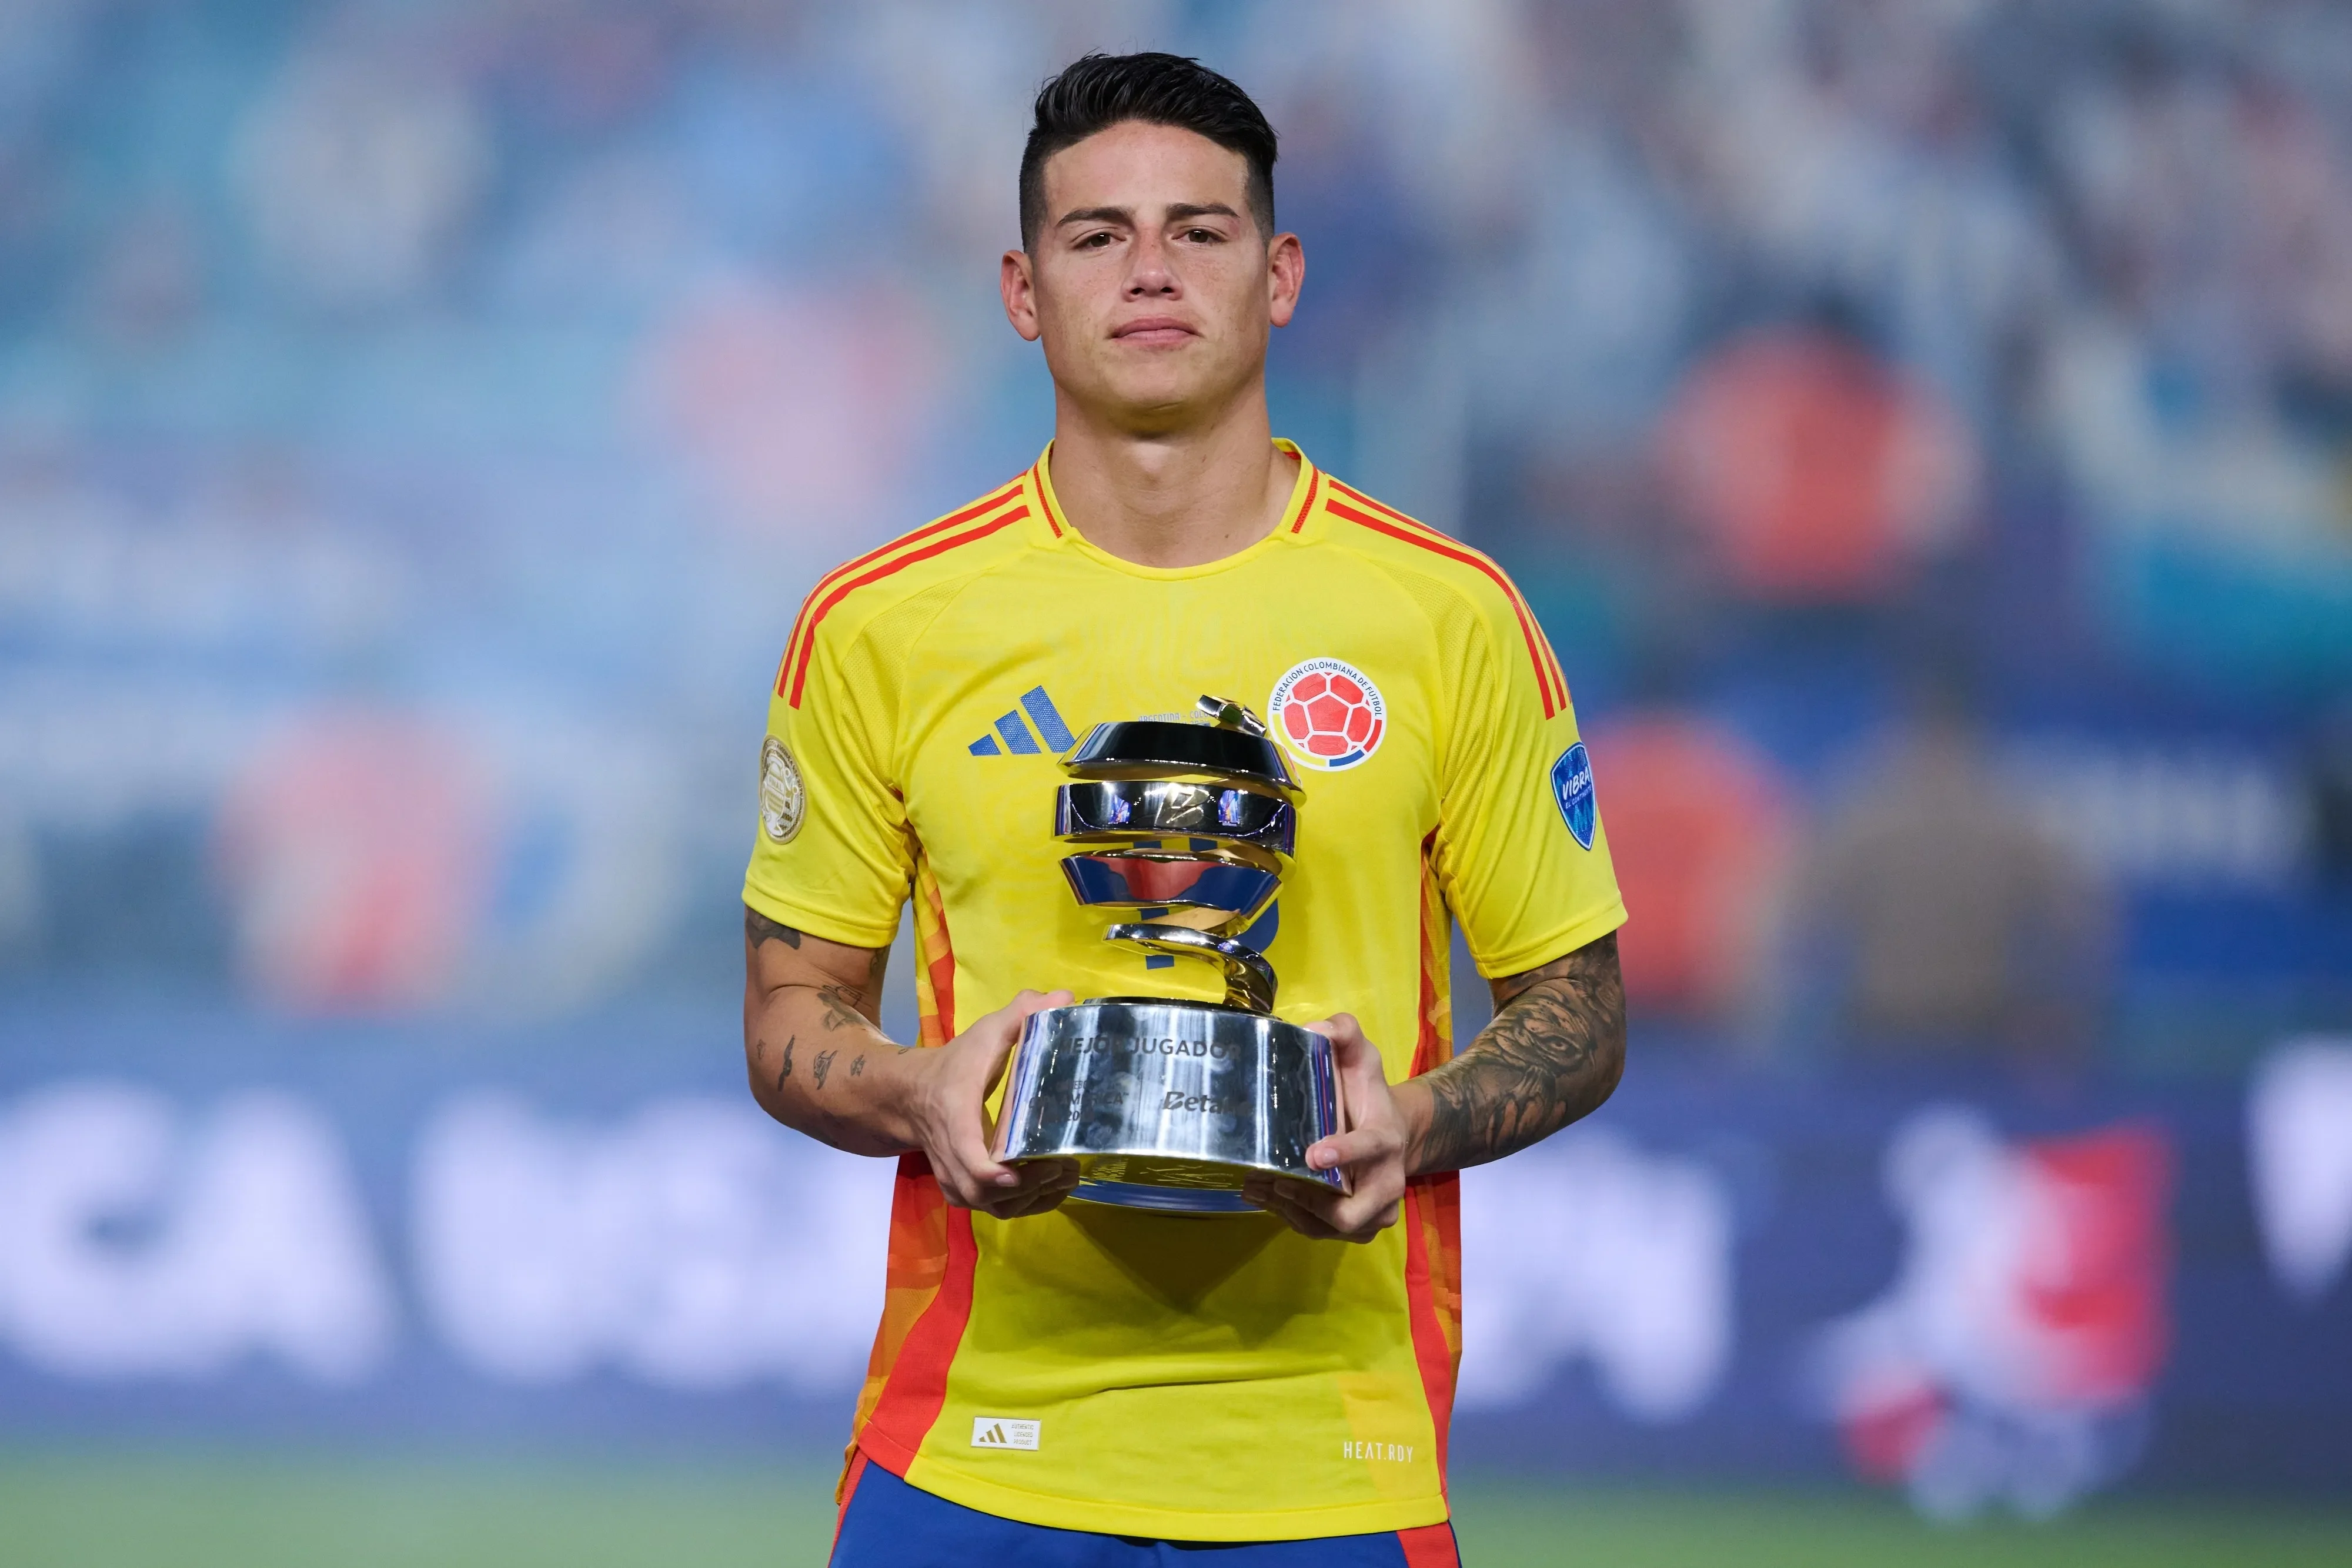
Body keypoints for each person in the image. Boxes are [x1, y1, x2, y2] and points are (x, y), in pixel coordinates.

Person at [741, 52, 1627, 1567]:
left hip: (1334, 1469)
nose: (1150, 271)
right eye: (1097, 236)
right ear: (1022, 291)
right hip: (970, 1455)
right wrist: (921, 1090)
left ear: (1279, 276)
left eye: (1199, 231)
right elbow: (787, 1015)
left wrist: (1412, 1123)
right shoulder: (880, 625)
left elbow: (1581, 1007)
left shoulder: (1450, 618)